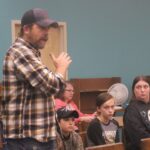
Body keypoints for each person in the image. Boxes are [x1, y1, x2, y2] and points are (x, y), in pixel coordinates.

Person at [1, 8, 72, 150]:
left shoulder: (32, 54)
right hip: (27, 139)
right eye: (42, 28)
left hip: (36, 138)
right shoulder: (20, 52)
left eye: (48, 28)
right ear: (26, 29)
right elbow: (52, 85)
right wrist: (61, 69)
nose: (47, 33)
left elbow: (51, 89)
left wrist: (57, 75)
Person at [123, 76, 150, 150]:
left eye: (145, 86)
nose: (142, 90)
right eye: (138, 87)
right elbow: (139, 137)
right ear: (133, 90)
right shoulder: (131, 110)